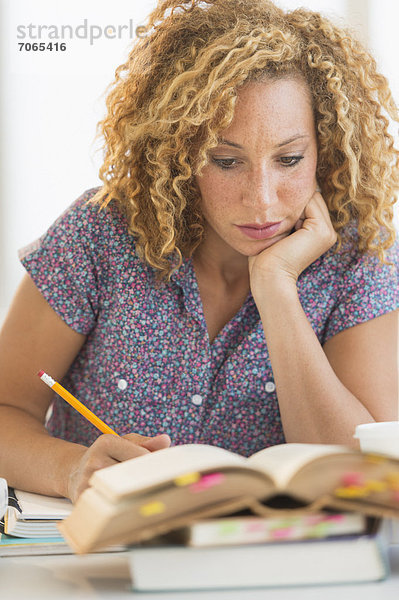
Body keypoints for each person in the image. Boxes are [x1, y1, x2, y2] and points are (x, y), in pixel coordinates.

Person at [0, 0, 398, 503]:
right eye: (226, 161)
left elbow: (363, 477)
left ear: (327, 147)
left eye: (289, 159)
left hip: (278, 570)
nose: (262, 199)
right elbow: (6, 408)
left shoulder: (358, 257)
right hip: (98, 566)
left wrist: (276, 287)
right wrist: (73, 468)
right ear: (179, 150)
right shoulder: (99, 234)